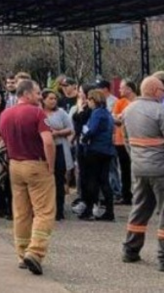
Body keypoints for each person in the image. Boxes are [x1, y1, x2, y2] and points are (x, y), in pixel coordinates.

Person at [120, 77, 164, 273]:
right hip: (163, 170)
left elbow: (126, 140)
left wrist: (136, 160)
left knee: (140, 209)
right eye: (163, 90)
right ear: (155, 91)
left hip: (139, 169)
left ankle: (130, 250)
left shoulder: (129, 110)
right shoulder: (162, 111)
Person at [0, 78, 55, 275]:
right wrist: (51, 165)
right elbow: (48, 141)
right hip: (36, 163)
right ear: (27, 94)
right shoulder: (37, 113)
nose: (40, 97)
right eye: (37, 93)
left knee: (21, 211)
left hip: (15, 165)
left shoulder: (5, 114)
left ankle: (21, 253)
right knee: (44, 211)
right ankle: (35, 252)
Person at [77, 88, 115, 222]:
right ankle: (109, 211)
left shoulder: (97, 113)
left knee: (92, 180)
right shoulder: (107, 113)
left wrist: (84, 138)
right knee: (104, 181)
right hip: (107, 150)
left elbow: (91, 130)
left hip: (95, 150)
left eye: (89, 99)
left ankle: (90, 209)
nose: (88, 102)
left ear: (94, 100)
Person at [41, 89, 73, 222]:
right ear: (43, 100)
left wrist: (58, 133)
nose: (53, 101)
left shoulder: (61, 113)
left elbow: (70, 129)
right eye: (50, 98)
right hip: (43, 149)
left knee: (59, 180)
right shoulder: (39, 113)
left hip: (59, 147)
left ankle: (59, 209)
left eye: (55, 98)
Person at [112, 80, 135, 205]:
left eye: (122, 88)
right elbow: (115, 118)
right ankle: (126, 195)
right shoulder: (120, 102)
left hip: (136, 140)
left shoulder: (137, 102)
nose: (119, 90)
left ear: (129, 89)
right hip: (121, 141)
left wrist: (123, 117)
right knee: (125, 169)